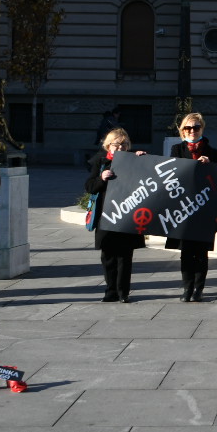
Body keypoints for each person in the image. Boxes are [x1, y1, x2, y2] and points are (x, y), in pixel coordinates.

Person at [166, 113, 217, 302]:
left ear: (202, 129)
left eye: (196, 127)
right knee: (186, 253)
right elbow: (171, 177)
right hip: (184, 209)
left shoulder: (212, 152)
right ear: (182, 130)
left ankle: (199, 289)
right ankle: (187, 289)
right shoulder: (177, 149)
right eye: (188, 128)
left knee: (201, 253)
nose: (192, 131)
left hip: (205, 208)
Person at [86, 128, 146, 302]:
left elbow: (149, 181)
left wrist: (144, 162)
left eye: (124, 144)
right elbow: (89, 186)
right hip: (106, 216)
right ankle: (110, 290)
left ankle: (123, 292)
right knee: (108, 256)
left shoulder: (135, 160)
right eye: (116, 144)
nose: (120, 148)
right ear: (108, 146)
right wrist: (101, 178)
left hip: (127, 214)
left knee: (125, 256)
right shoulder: (100, 162)